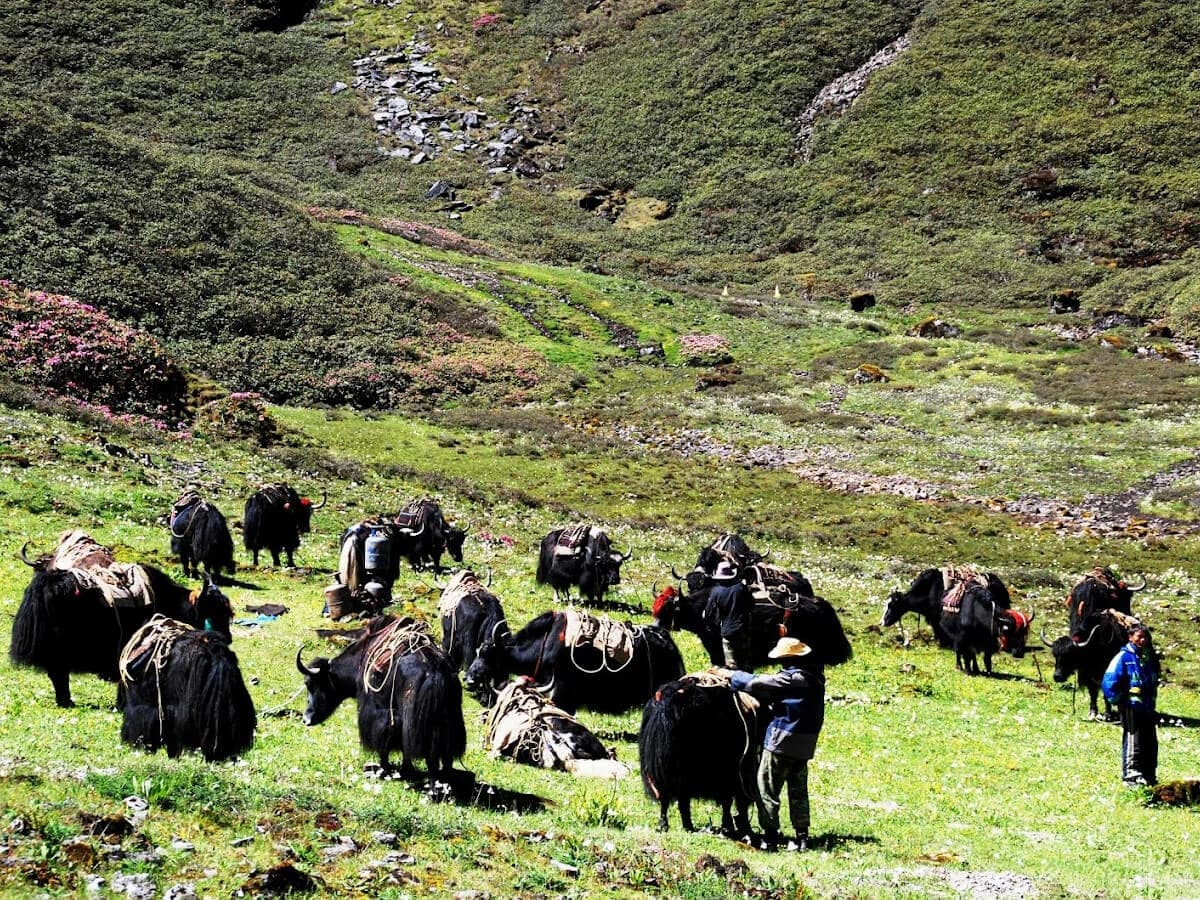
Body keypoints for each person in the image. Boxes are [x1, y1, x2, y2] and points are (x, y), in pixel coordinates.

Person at [729, 636, 825, 851]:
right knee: (798, 791)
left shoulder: (792, 679)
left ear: (789, 658)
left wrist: (731, 675)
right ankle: (802, 838)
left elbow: (755, 683)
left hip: (781, 742)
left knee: (767, 790)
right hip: (805, 746)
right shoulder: (816, 679)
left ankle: (770, 837)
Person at [1101, 624, 1159, 786]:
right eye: (1139, 636)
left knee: (1150, 741)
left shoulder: (1149, 657)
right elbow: (1109, 682)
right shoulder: (1123, 657)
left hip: (1147, 706)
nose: (1143, 640)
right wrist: (1118, 701)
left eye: (1145, 637)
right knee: (1134, 739)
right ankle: (1131, 775)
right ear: (1130, 637)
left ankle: (1149, 775)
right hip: (1130, 706)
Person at [705, 560, 752, 669]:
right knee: (745, 661)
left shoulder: (716, 591)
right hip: (743, 630)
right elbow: (751, 606)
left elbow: (708, 614)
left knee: (731, 665)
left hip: (728, 631)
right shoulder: (741, 588)